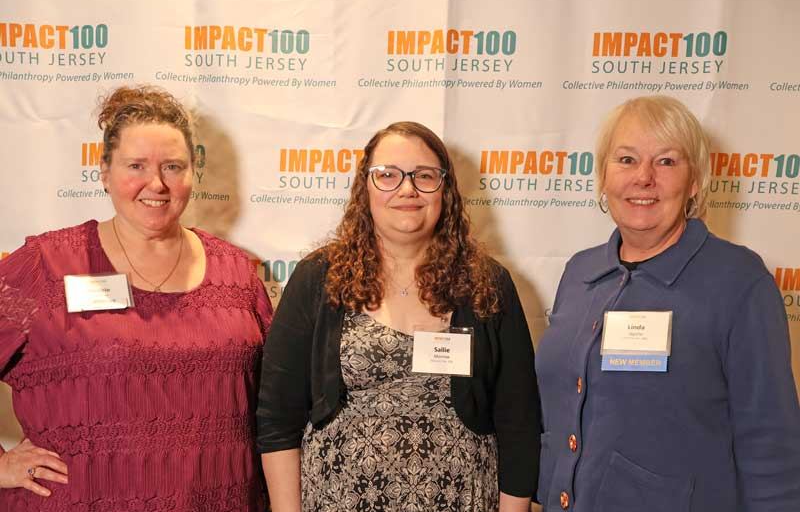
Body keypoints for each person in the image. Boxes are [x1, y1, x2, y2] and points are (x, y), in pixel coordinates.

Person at [0, 85, 273, 511]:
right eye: (136, 166)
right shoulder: (44, 268)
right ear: (104, 172)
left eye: (173, 166)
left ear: (194, 173)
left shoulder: (237, 274)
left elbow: (279, 404)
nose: (156, 183)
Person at [256, 121, 540, 511]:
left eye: (424, 176)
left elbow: (519, 423)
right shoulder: (319, 278)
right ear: (365, 187)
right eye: (388, 175)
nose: (407, 189)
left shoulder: (487, 284)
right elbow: (277, 419)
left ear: (445, 190)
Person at [536, 95, 800, 511]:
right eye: (626, 159)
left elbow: (771, 449)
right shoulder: (579, 272)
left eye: (666, 161)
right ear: (603, 175)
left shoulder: (739, 282)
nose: (643, 177)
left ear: (694, 182)